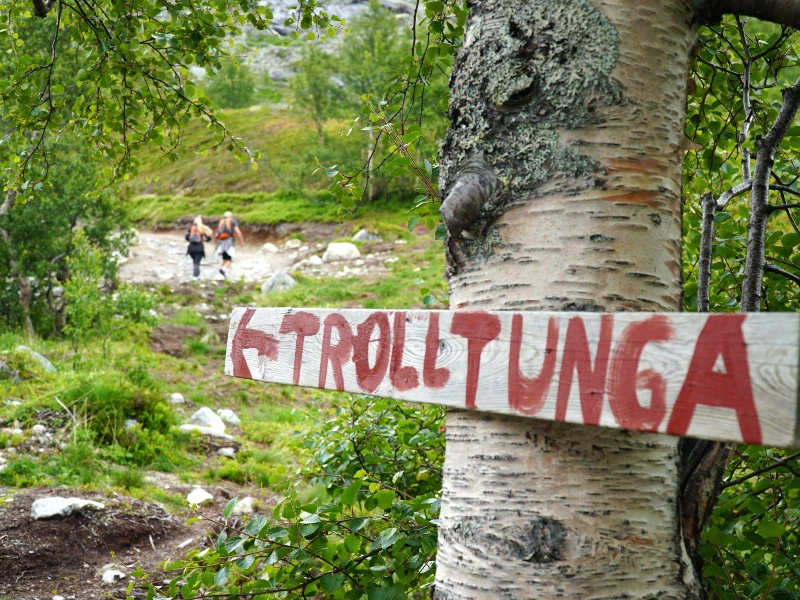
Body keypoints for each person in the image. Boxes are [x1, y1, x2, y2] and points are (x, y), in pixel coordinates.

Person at [215, 210, 245, 279]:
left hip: (220, 243)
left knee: (225, 259)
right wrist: (241, 241)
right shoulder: (232, 221)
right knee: (229, 260)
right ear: (230, 216)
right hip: (228, 243)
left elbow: (217, 234)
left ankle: (221, 275)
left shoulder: (221, 222)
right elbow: (237, 231)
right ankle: (223, 270)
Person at [185, 216, 213, 280]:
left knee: (195, 262)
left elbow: (186, 237)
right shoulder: (201, 229)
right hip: (199, 247)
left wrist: (191, 239)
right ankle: (195, 276)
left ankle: (196, 276)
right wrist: (203, 239)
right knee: (197, 263)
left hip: (191, 248)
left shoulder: (190, 228)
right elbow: (209, 239)